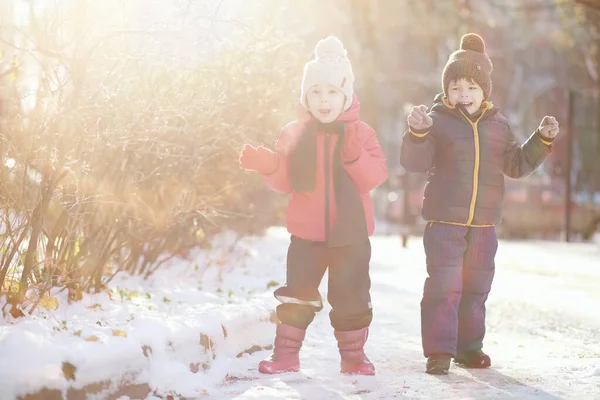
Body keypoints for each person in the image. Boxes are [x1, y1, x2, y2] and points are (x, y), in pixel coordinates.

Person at [400, 33, 559, 375]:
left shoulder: (498, 125)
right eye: (456, 87)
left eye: (472, 87)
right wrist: (417, 134)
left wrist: (541, 141)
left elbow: (516, 165)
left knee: (476, 287)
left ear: (484, 90)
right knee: (444, 285)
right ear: (446, 90)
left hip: (484, 224)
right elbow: (414, 162)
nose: (464, 94)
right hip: (445, 222)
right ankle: (440, 350)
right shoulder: (437, 120)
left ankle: (469, 348)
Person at [239, 36, 388, 375]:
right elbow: (286, 179)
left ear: (346, 95)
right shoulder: (295, 132)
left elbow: (375, 175)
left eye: (332, 92)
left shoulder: (361, 133)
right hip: (307, 234)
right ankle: (286, 356)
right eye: (316, 92)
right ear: (306, 96)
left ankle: (353, 357)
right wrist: (267, 163)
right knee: (297, 295)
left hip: (350, 236)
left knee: (350, 296)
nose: (324, 100)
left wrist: (352, 156)